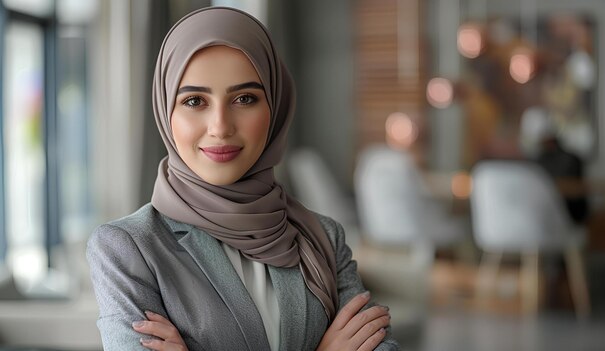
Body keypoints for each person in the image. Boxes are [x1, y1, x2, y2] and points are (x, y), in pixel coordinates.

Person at [86, 6, 397, 351]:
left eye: (245, 98)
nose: (220, 126)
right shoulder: (128, 247)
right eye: (194, 100)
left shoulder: (322, 237)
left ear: (275, 109)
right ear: (165, 111)